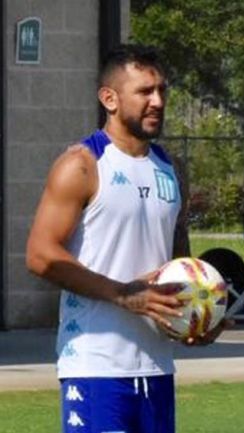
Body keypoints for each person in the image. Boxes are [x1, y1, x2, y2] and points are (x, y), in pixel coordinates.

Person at [26, 44, 224, 433]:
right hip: (95, 366)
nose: (157, 101)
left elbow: (179, 265)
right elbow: (39, 256)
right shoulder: (81, 165)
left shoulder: (170, 168)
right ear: (109, 99)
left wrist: (195, 317)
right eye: (145, 91)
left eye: (162, 90)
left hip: (157, 367)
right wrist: (123, 294)